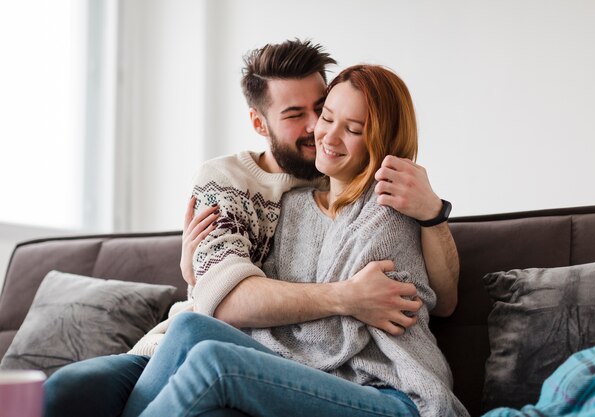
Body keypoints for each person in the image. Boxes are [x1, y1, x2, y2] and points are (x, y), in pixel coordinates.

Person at [44, 39, 460, 417]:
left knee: (214, 362)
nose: (321, 132)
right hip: (270, 363)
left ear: (379, 140)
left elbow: (426, 306)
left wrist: (433, 213)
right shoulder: (275, 199)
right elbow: (232, 304)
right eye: (312, 117)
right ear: (260, 123)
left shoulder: (389, 208)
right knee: (187, 334)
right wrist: (202, 280)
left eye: (345, 125)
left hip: (391, 393)